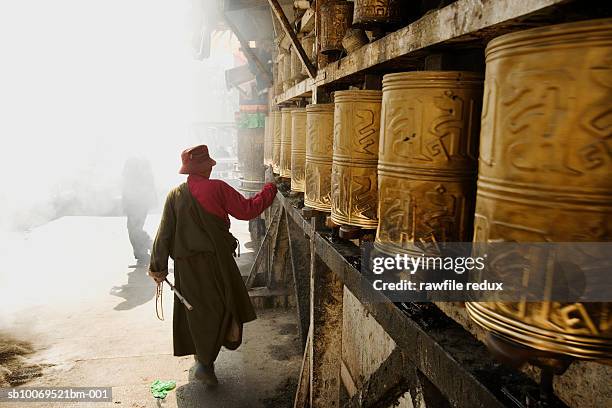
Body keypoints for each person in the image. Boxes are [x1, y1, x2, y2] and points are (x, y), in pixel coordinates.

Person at [148, 145, 277, 386]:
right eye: (209, 164)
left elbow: (164, 233)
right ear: (205, 166)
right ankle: (205, 364)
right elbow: (248, 210)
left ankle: (203, 360)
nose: (211, 167)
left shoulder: (175, 194)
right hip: (216, 263)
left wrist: (158, 267)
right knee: (223, 308)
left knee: (197, 312)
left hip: (186, 268)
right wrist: (270, 189)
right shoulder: (217, 188)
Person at [122, 157, 157, 265]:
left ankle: (151, 247)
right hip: (134, 203)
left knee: (135, 229)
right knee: (133, 229)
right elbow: (125, 185)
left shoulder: (140, 165)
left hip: (140, 203)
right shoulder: (133, 164)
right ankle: (142, 255)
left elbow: (149, 185)